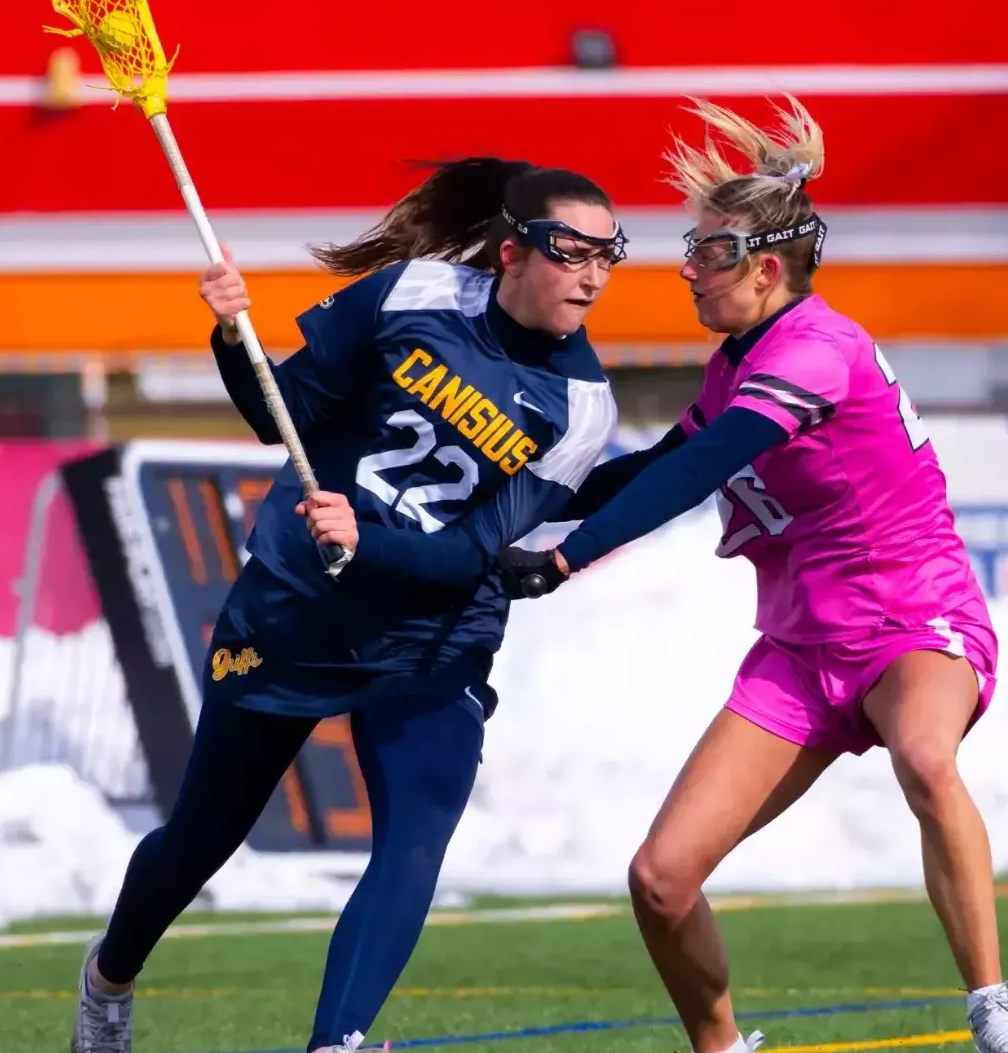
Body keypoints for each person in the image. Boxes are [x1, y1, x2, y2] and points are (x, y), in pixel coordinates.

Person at [495, 98, 1008, 1053]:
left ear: (766, 269)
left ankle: (994, 1012)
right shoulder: (738, 364)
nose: (686, 270)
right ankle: (721, 1049)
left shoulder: (816, 351)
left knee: (926, 757)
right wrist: (503, 502)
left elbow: (694, 471)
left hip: (913, 625)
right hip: (802, 648)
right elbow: (642, 469)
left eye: (708, 255)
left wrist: (562, 560)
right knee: (661, 878)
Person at [69, 157, 624, 1053]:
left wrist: (374, 542)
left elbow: (470, 556)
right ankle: (108, 978)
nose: (594, 274)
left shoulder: (581, 407)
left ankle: (339, 1043)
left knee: (414, 835)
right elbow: (276, 412)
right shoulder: (412, 293)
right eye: (574, 251)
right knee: (203, 834)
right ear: (516, 251)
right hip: (298, 605)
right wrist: (230, 335)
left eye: (610, 255)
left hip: (430, 633)